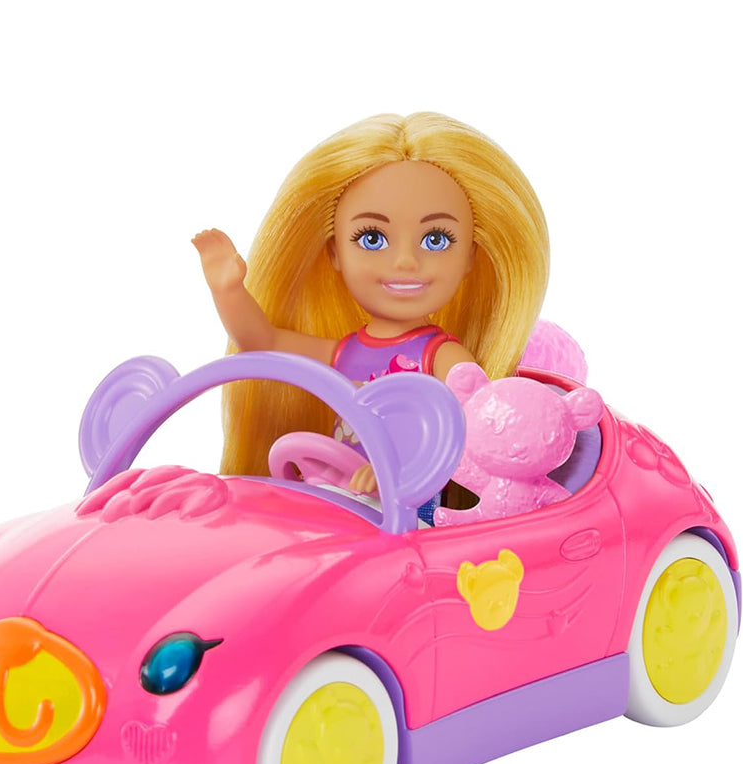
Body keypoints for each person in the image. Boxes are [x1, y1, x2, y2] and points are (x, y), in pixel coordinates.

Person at [193, 111, 549, 495]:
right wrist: (229, 291)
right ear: (335, 252)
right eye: (372, 238)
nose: (405, 262)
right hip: (342, 493)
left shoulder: (440, 357)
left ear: (469, 258)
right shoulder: (346, 352)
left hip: (409, 509)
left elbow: (480, 430)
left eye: (436, 240)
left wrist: (402, 472)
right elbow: (264, 342)